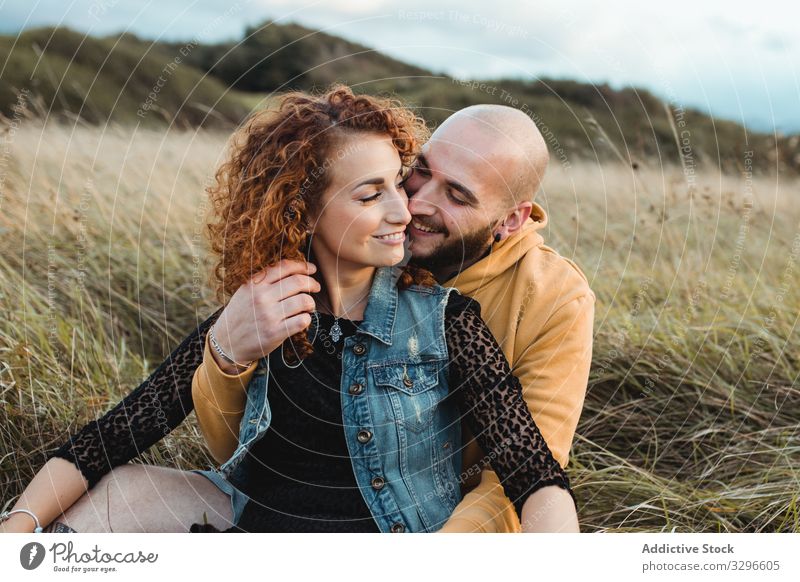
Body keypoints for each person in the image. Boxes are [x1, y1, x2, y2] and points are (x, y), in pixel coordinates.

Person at [1, 87, 592, 535]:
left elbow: (531, 471)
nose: (409, 209)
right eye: (400, 182)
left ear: (512, 218)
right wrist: (228, 351)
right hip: (262, 527)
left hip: (406, 537)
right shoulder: (268, 303)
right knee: (116, 496)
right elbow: (115, 435)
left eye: (457, 195)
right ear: (303, 211)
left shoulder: (455, 317)